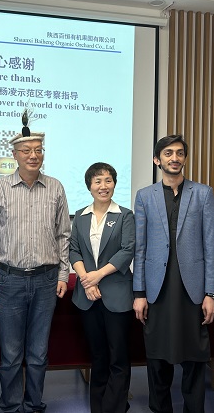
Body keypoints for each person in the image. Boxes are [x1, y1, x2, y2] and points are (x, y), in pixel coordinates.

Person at [0, 126, 70, 413]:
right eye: (26, 151)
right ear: (15, 155)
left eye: (38, 150)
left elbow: (63, 235)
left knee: (39, 353)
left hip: (46, 280)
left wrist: (63, 274)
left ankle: (33, 405)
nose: (33, 155)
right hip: (9, 280)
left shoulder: (55, 187)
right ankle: (10, 406)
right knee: (11, 354)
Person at [133, 134, 214, 413]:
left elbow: (210, 246)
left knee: (195, 358)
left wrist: (210, 293)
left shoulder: (203, 193)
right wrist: (139, 293)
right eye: (168, 153)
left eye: (180, 153)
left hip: (192, 290)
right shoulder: (145, 196)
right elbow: (140, 248)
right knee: (157, 359)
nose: (175, 158)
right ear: (157, 160)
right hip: (157, 290)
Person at [69, 162, 135, 413]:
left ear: (114, 184)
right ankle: (98, 407)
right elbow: (74, 250)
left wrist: (97, 276)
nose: (103, 186)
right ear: (89, 186)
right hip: (88, 296)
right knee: (97, 356)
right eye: (97, 181)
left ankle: (115, 407)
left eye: (108, 180)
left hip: (117, 295)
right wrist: (86, 280)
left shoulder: (125, 215)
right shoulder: (80, 216)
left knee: (118, 356)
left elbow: (127, 250)